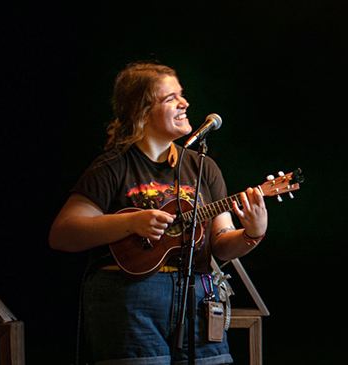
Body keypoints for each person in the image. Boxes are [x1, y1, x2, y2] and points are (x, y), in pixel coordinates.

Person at [49, 61, 268, 364]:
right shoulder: (113, 166)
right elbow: (63, 234)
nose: (184, 103)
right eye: (170, 98)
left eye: (182, 95)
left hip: (197, 297)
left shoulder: (202, 167)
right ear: (141, 111)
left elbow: (220, 243)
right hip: (129, 299)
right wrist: (131, 222)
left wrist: (252, 233)